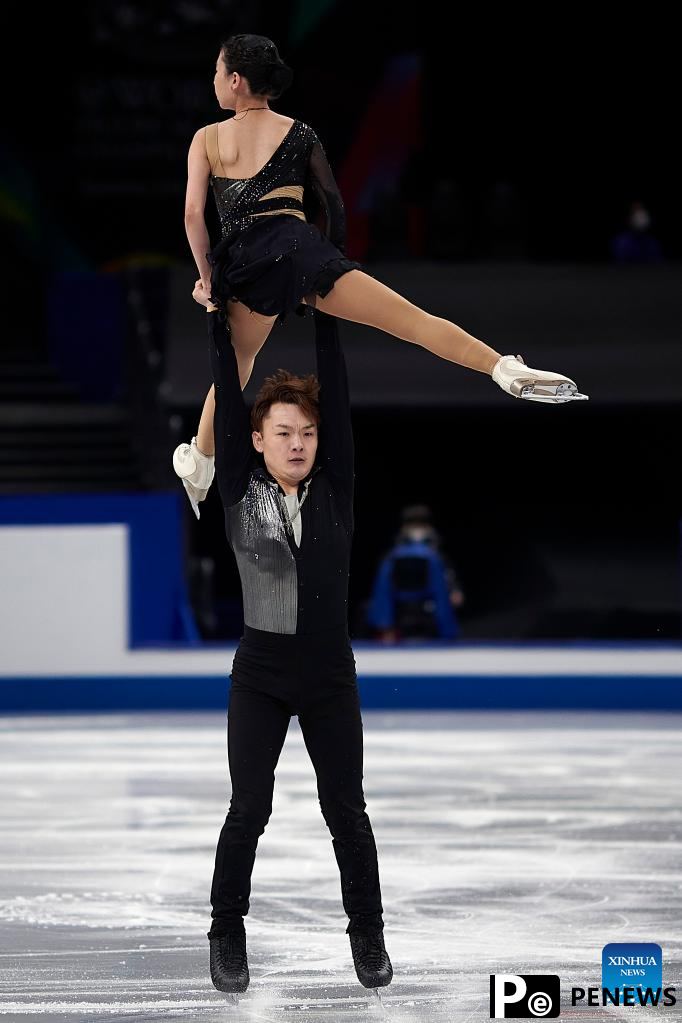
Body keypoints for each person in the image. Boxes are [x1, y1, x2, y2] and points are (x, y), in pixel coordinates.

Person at [175, 33, 588, 516]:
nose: (214, 81)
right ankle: (502, 368)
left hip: (245, 266)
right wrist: (332, 263)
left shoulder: (206, 138)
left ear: (237, 80)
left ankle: (200, 464)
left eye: (218, 72)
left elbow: (192, 216)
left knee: (236, 369)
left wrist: (209, 281)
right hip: (300, 250)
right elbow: (333, 203)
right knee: (411, 321)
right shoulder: (299, 131)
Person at [194, 278, 392, 997]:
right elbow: (227, 376)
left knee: (347, 807)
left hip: (329, 673)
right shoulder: (239, 487)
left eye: (306, 432)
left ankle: (367, 932)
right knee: (250, 807)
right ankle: (226, 932)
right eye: (284, 432)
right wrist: (220, 326)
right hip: (261, 673)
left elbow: (334, 392)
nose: (299, 441)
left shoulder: (335, 486)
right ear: (257, 440)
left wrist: (328, 313)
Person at [366, 504, 464, 641]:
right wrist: (385, 624)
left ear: (428, 526)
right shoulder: (393, 556)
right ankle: (386, 628)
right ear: (405, 527)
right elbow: (382, 587)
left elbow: (446, 576)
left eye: (421, 524)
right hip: (401, 603)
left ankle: (447, 634)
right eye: (413, 525)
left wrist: (455, 589)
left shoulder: (435, 554)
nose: (417, 530)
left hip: (429, 602)